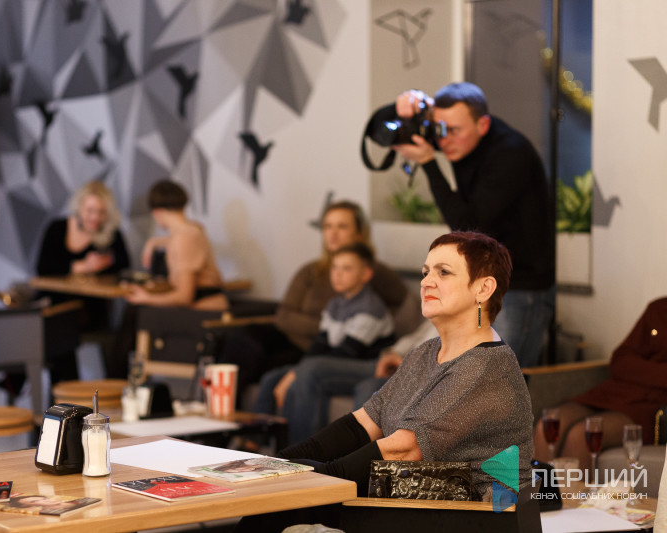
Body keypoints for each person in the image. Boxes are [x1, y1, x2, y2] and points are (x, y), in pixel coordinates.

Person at [234, 231, 533, 531]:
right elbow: (360, 424)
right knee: (285, 487)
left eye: (443, 272)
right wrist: (276, 462)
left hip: (477, 509)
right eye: (425, 272)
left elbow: (403, 450)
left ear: (483, 288)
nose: (426, 282)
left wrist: (317, 478)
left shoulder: (486, 366)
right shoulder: (425, 352)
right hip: (418, 488)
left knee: (291, 493)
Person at [393, 82, 555, 367]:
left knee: (498, 378)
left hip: (521, 287)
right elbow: (398, 124)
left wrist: (429, 163)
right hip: (486, 282)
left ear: (483, 125)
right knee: (466, 376)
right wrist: (410, 105)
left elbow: (466, 224)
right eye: (439, 130)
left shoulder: (510, 154)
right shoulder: (460, 136)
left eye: (454, 130)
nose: (445, 140)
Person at [216, 200, 410, 406]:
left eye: (342, 226)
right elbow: (284, 316)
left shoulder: (375, 274)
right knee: (245, 336)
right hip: (307, 339)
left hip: (326, 347)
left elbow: (399, 305)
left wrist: (338, 326)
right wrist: (325, 324)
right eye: (327, 226)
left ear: (359, 233)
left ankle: (242, 413)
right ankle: (224, 409)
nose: (333, 234)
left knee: (270, 367)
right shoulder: (311, 271)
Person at [253, 242, 397, 442]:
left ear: (366, 275)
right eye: (334, 268)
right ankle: (255, 443)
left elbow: (347, 352)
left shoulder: (371, 307)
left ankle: (302, 450)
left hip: (367, 366)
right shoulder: (334, 304)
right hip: (335, 363)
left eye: (346, 269)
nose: (337, 274)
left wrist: (297, 372)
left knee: (309, 371)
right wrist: (295, 371)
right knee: (273, 377)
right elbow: (320, 346)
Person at [0, 181, 130, 394]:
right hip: (54, 303)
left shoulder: (111, 234)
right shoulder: (58, 228)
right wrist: (79, 267)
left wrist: (103, 265)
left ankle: (22, 379)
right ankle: (64, 392)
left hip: (88, 309)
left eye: (101, 212)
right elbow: (43, 267)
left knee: (55, 323)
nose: (95, 217)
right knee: (49, 322)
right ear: (79, 208)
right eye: (90, 210)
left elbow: (124, 267)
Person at [533, 296, 667, 470]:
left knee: (581, 435)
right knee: (547, 425)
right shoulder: (659, 308)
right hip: (615, 391)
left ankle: (571, 489)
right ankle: (540, 488)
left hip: (650, 406)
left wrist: (637, 369)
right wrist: (653, 373)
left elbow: (628, 365)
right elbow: (620, 361)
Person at [123, 180, 228, 311]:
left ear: (156, 212)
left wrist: (146, 298)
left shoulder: (184, 238)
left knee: (138, 313)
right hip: (208, 306)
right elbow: (181, 241)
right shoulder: (193, 229)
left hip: (204, 310)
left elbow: (184, 297)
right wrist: (153, 242)